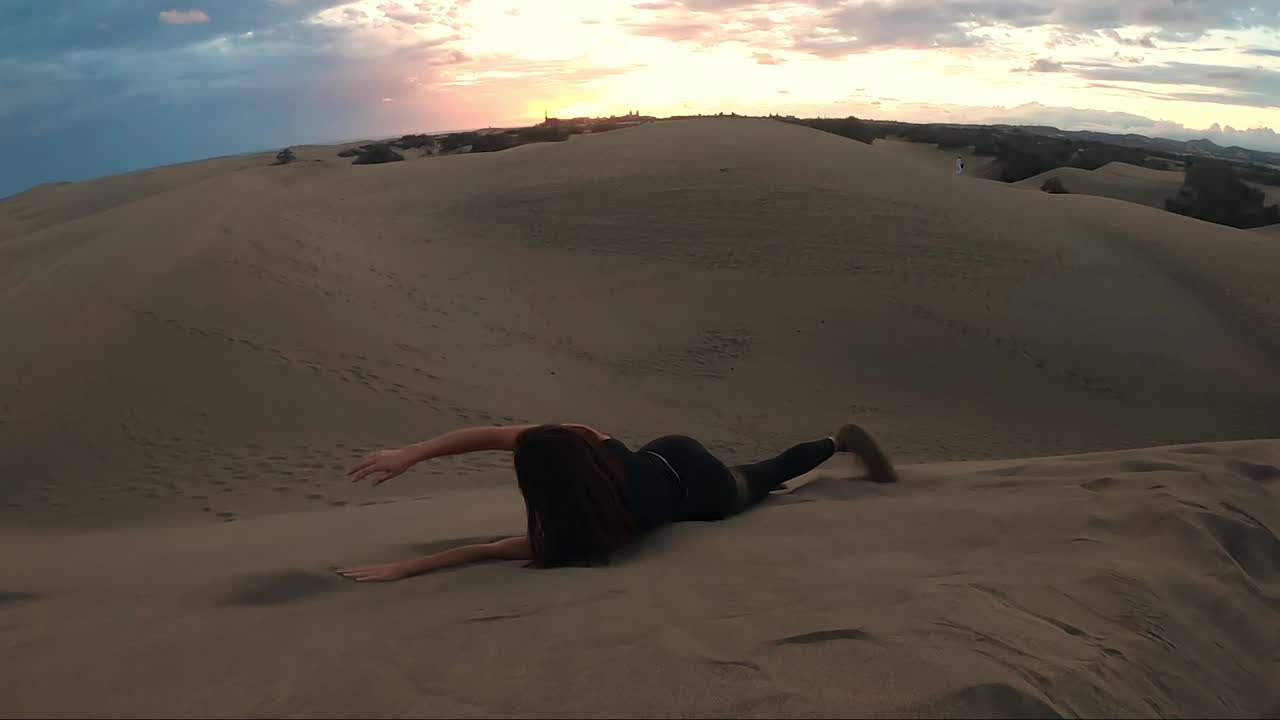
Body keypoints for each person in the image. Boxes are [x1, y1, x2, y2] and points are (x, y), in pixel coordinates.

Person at [336, 423, 897, 582]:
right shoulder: (588, 440)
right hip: (667, 450)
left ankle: (836, 445)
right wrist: (412, 452)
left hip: (705, 496)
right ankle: (836, 441)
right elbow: (490, 433)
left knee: (767, 478)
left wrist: (406, 567)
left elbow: (485, 551)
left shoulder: (589, 528)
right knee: (767, 469)